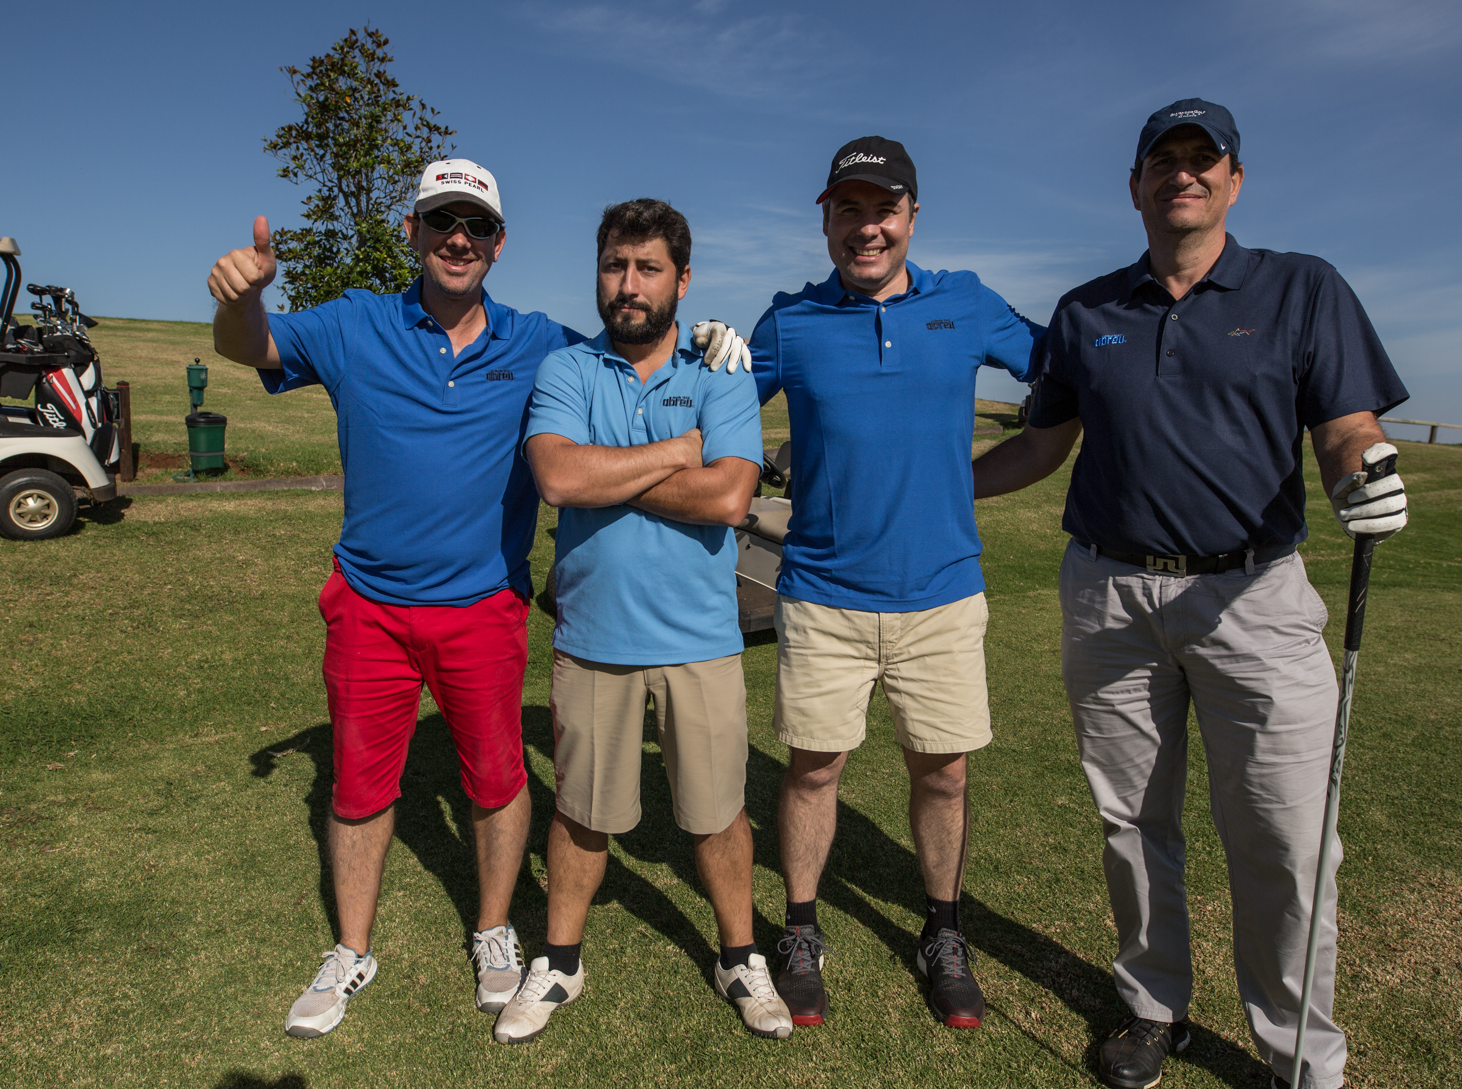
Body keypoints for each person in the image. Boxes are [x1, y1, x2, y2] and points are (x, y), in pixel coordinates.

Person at [208, 161, 751, 1039]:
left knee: (497, 781)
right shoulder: (354, 322)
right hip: (370, 602)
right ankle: (351, 948)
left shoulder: (537, 342)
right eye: (442, 221)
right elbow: (251, 346)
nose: (459, 239)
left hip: (484, 604)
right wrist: (242, 297)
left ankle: (495, 929)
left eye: (478, 226)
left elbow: (631, 337)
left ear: (499, 244)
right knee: (358, 785)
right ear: (413, 231)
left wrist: (708, 338)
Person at [970, 99, 1409, 1089]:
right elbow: (1040, 447)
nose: (1183, 173)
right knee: (1131, 822)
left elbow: (1346, 427)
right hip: (1108, 595)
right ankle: (1150, 1003)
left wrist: (1362, 475)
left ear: (1233, 181)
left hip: (1252, 596)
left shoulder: (1301, 287)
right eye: (1161, 159)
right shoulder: (1087, 311)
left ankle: (1300, 1054)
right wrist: (934, 485)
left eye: (1202, 158)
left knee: (1287, 838)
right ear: (1134, 186)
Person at [746, 137, 1045, 1030]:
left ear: (913, 216)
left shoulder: (967, 303)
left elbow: (1067, 374)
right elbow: (706, 406)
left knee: (943, 774)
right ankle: (801, 929)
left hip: (941, 596)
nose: (867, 227)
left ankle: (942, 932)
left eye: (884, 209)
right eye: (849, 209)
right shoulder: (789, 322)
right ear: (826, 222)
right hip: (822, 593)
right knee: (813, 768)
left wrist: (980, 473)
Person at [495, 198, 790, 1044]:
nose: (629, 285)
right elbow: (558, 478)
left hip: (701, 637)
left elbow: (729, 497)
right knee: (582, 811)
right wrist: (676, 452)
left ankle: (740, 956)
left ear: (682, 280)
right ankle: (560, 959)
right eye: (615, 266)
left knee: (718, 812)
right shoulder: (567, 368)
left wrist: (610, 473)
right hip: (594, 637)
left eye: (648, 268)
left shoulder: (721, 370)